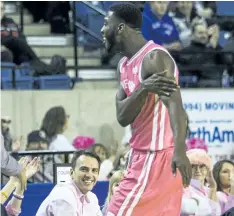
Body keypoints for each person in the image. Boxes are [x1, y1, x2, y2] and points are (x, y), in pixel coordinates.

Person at [101, 3, 192, 216]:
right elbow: (123, 116)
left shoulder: (155, 57)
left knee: (113, 213)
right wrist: (143, 88)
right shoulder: (123, 65)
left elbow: (176, 107)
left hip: (158, 157)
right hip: (139, 155)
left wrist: (180, 150)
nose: (102, 30)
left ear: (121, 27)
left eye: (106, 24)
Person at [36, 150, 102, 216]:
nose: (89, 175)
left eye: (94, 170)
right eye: (84, 169)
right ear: (71, 172)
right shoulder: (64, 197)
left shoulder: (92, 197)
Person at [181, 143, 221, 215]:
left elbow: (215, 213)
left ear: (208, 169)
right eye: (193, 166)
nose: (198, 170)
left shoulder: (210, 190)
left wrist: (213, 187)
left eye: (202, 166)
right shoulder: (182, 189)